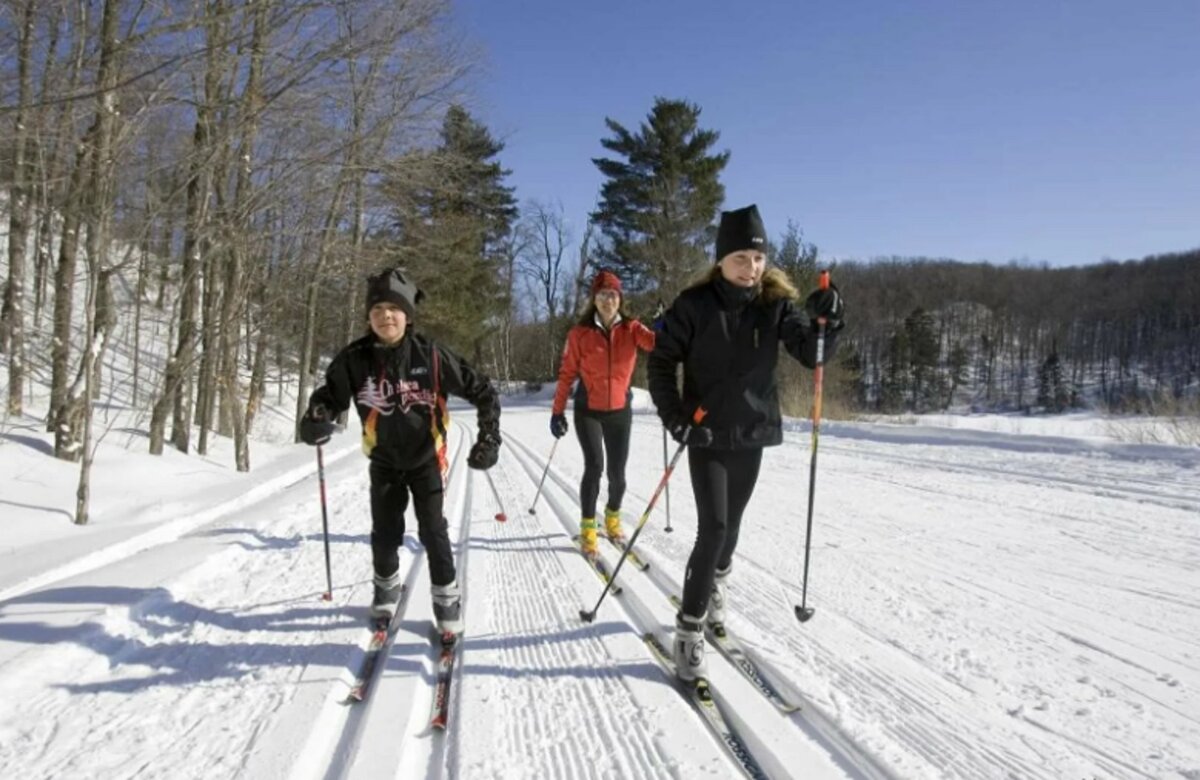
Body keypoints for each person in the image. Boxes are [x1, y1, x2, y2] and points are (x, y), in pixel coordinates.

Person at [647, 205, 844, 681]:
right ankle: (689, 631)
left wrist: (829, 320)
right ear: (720, 260)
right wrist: (677, 421)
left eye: (757, 259)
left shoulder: (774, 305)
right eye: (740, 258)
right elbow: (659, 365)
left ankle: (715, 584)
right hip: (707, 432)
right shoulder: (693, 307)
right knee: (712, 529)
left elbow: (811, 353)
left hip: (752, 432)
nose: (750, 268)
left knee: (731, 529)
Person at [299, 268, 501, 635]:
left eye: (394, 308)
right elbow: (329, 399)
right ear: (368, 317)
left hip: (426, 458)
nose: (385, 316)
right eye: (378, 309)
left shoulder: (432, 355)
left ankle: (446, 598)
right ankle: (386, 588)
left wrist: (489, 438)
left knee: (433, 531)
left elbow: (483, 390)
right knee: (386, 532)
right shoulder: (354, 359)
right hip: (384, 460)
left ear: (407, 315)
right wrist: (315, 419)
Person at [551, 270, 656, 557]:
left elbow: (657, 344)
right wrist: (557, 412)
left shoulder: (632, 329)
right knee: (595, 466)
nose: (608, 300)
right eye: (602, 295)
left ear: (620, 298)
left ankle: (611, 518)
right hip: (589, 411)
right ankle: (588, 530)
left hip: (620, 411)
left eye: (613, 294)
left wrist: (663, 326)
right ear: (594, 299)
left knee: (618, 474)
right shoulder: (580, 334)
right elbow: (566, 374)